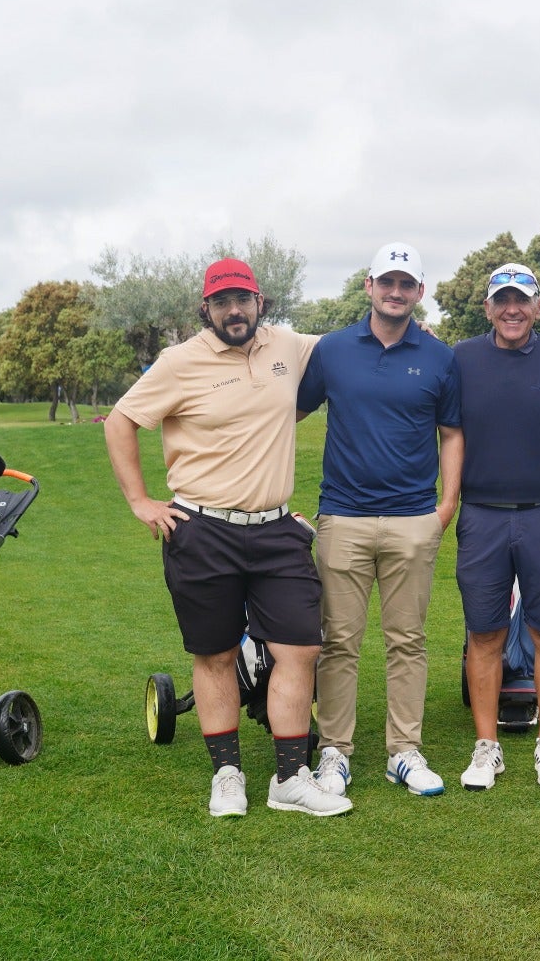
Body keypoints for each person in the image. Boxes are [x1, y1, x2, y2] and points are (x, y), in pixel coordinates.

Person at [104, 258, 351, 819]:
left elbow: (352, 343)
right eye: (222, 302)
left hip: (277, 530)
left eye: (243, 300)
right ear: (206, 309)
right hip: (201, 529)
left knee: (301, 648)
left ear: (260, 302)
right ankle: (228, 775)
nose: (234, 310)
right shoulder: (178, 362)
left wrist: (418, 332)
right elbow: (121, 422)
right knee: (213, 654)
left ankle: (290, 779)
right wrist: (141, 502)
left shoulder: (289, 345)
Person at [297, 242, 463, 798]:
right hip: (342, 517)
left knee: (407, 640)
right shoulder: (334, 350)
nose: (396, 292)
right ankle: (334, 754)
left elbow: (452, 432)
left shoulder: (441, 358)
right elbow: (287, 412)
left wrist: (446, 506)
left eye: (407, 284)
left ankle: (404, 752)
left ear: (419, 292)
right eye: (387, 282)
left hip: (414, 518)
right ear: (369, 286)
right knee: (338, 641)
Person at [451, 262, 540, 791]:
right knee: (483, 632)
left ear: (538, 305)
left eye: (522, 299)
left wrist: (539, 443)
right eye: (501, 299)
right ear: (487, 306)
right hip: (482, 513)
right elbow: (447, 427)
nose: (512, 309)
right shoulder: (461, 358)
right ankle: (486, 747)